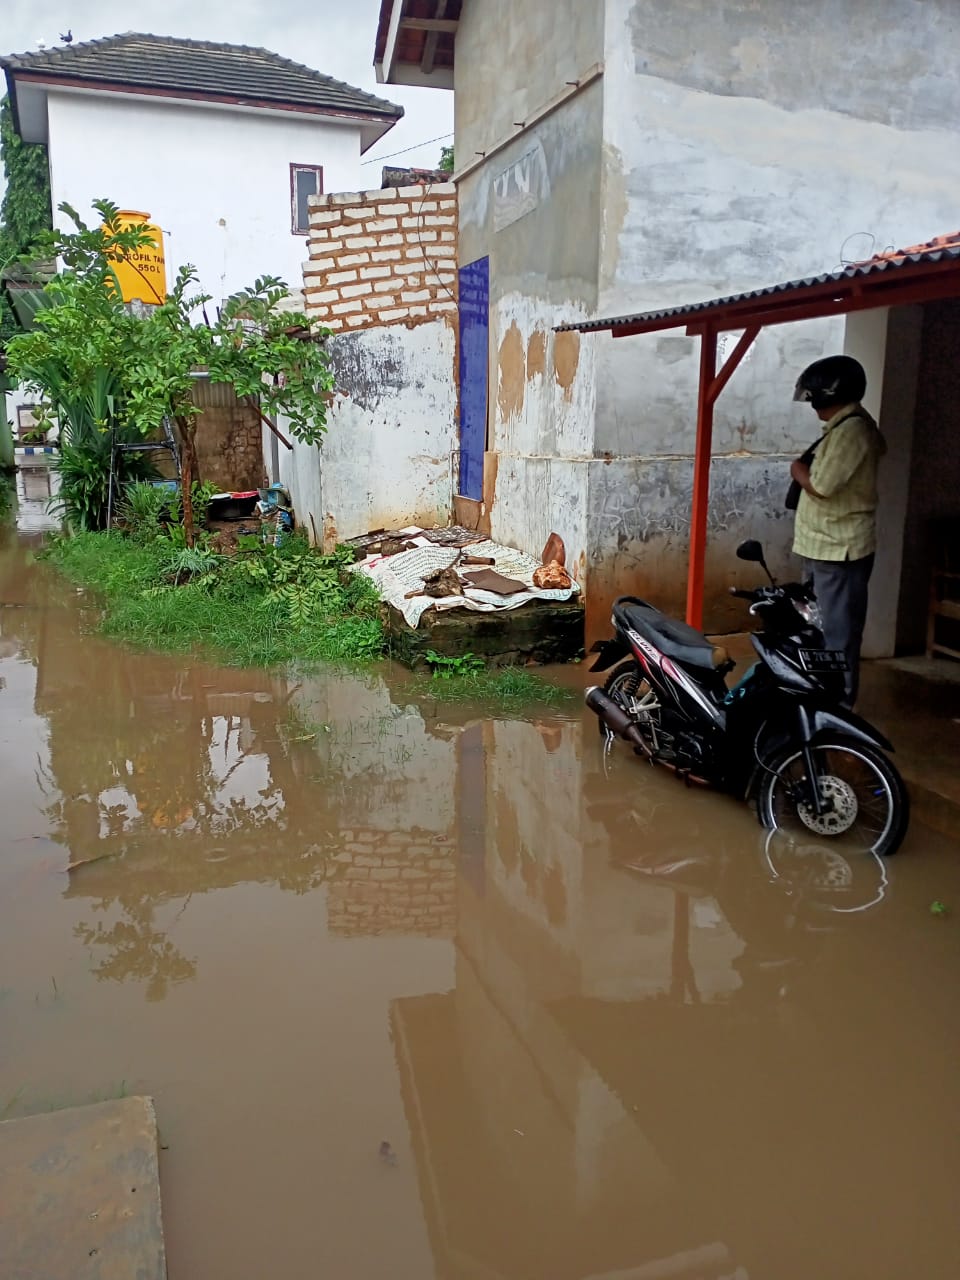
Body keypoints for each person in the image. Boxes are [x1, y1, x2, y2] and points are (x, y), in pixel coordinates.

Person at [790, 354, 885, 706]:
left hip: (839, 551)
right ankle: (823, 698)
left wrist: (799, 472)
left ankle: (840, 708)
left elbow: (823, 485)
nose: (813, 404)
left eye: (816, 397)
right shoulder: (843, 428)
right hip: (824, 548)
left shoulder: (853, 431)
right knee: (818, 631)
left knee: (838, 634)